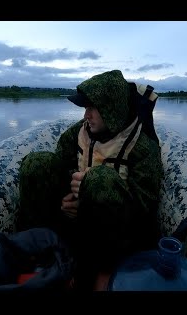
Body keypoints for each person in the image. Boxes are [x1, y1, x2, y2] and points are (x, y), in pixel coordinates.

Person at [17, 70, 164, 290]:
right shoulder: (76, 133)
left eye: (93, 108)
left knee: (100, 179)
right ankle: (39, 255)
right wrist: (68, 198)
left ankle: (105, 272)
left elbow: (145, 207)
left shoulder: (143, 147)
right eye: (86, 107)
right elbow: (61, 168)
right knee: (36, 163)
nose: (86, 115)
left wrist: (90, 194)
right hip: (75, 223)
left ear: (112, 110)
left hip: (118, 237)